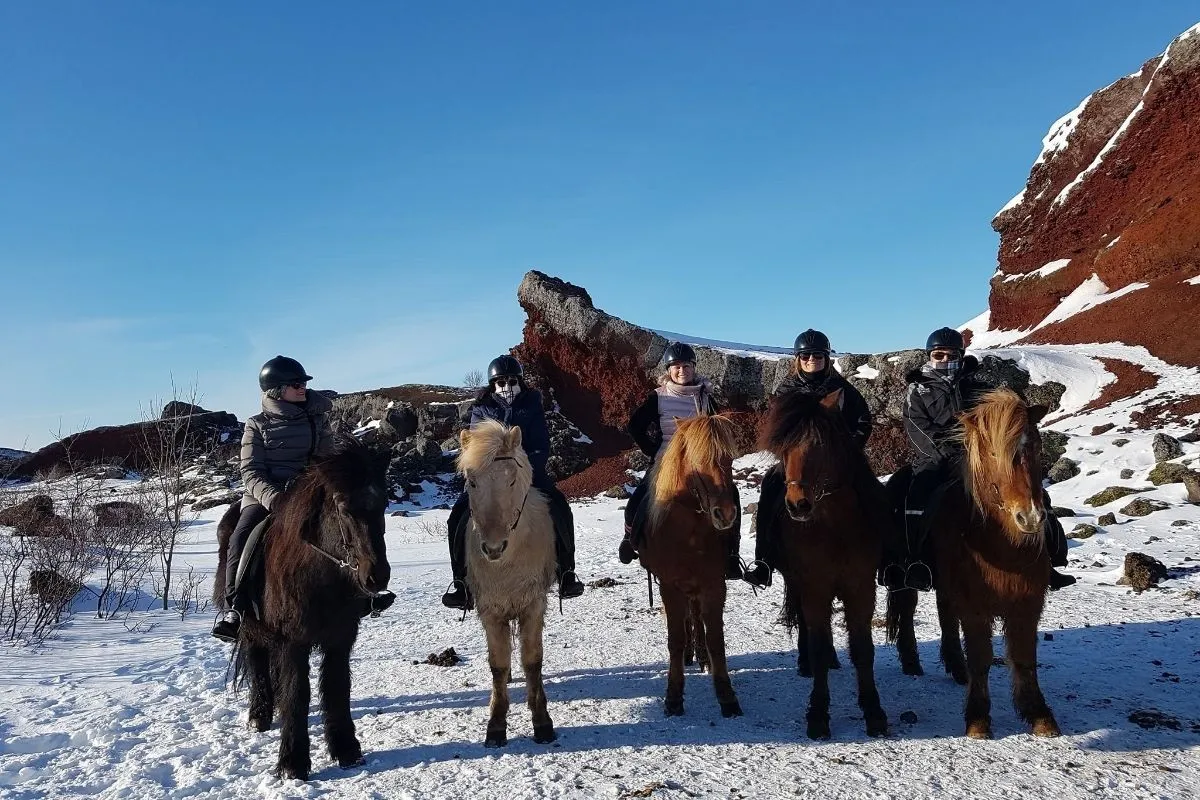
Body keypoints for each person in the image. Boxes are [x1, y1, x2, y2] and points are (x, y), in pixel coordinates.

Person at [212, 356, 396, 642]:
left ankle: (361, 595)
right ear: (276, 390)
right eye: (296, 384)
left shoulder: (316, 418)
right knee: (240, 536)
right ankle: (234, 608)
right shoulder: (256, 425)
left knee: (345, 532)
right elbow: (250, 470)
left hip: (307, 495)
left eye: (303, 383)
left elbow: (326, 462)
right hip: (265, 498)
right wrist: (276, 500)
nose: (303, 388)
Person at [897, 327, 1075, 591]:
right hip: (937, 458)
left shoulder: (980, 387)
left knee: (1033, 492)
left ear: (961, 355)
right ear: (930, 356)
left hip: (983, 457)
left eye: (951, 355)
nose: (945, 361)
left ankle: (1049, 558)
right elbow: (916, 426)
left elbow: (1001, 422)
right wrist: (945, 452)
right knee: (917, 495)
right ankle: (916, 562)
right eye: (939, 355)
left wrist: (983, 450)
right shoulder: (918, 390)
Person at [441, 355, 585, 610]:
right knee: (457, 518)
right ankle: (461, 583)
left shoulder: (532, 406)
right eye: (500, 383)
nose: (507, 388)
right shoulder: (481, 410)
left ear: (520, 383)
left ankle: (566, 573)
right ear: (492, 386)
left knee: (561, 508)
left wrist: (522, 472)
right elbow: (475, 450)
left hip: (528, 475)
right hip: (488, 480)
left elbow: (541, 446)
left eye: (512, 382)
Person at [743, 330, 874, 588]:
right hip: (795, 460)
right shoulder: (786, 391)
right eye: (805, 355)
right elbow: (776, 429)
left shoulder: (843, 389)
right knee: (769, 490)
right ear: (798, 359)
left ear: (826, 358)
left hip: (838, 461)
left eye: (817, 355)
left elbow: (863, 421)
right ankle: (764, 561)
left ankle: (889, 557)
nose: (811, 359)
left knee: (873, 491)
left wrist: (847, 449)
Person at [619, 342, 743, 580]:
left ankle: (732, 556)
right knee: (637, 501)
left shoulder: (705, 397)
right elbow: (635, 426)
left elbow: (716, 430)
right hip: (666, 463)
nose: (681, 371)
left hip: (700, 466)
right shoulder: (658, 397)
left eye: (686, 365)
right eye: (676, 366)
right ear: (668, 370)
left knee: (731, 495)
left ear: (694, 367)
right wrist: (654, 451)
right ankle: (630, 538)